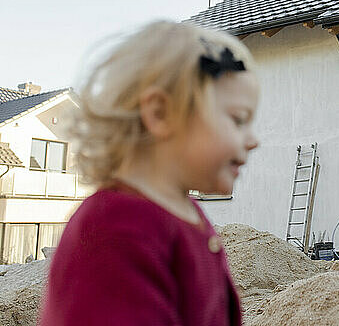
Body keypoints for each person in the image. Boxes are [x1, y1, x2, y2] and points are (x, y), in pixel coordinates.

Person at [39, 21, 259, 325]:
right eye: (238, 120)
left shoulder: (185, 212)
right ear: (160, 113)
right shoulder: (112, 229)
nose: (254, 140)